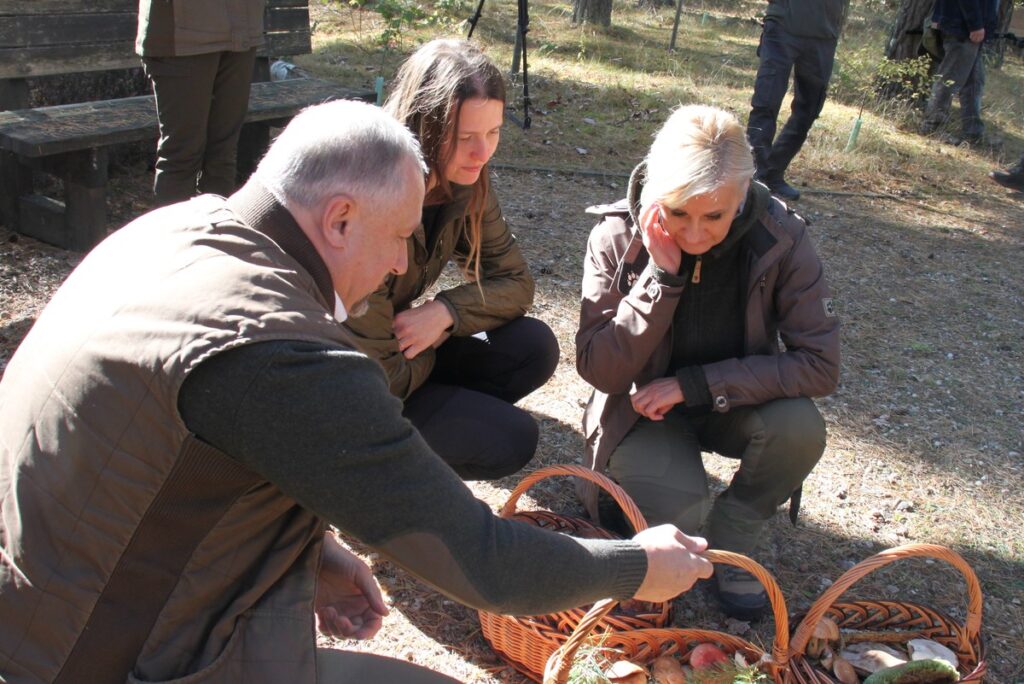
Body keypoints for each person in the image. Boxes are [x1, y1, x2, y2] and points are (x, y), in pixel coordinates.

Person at [0, 100, 713, 684]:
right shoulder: (282, 354)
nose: (404, 260)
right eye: (400, 235)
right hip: (101, 657)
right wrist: (637, 566)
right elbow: (486, 563)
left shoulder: (170, 231)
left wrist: (313, 552)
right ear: (339, 218)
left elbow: (152, 462)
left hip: (40, 613)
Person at [576, 105, 840, 621]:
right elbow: (601, 369)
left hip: (733, 400)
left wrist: (697, 385)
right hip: (640, 413)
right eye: (678, 214)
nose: (694, 235)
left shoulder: (782, 237)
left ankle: (736, 535)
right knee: (683, 515)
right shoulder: (617, 235)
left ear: (742, 197)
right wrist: (662, 277)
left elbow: (819, 365)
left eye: (714, 216)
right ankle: (645, 511)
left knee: (800, 428)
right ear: (656, 193)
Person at [344, 39, 559, 481]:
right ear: (424, 127)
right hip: (350, 387)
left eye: (494, 133)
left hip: (397, 352)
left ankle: (437, 427)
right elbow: (381, 376)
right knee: (512, 438)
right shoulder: (373, 195)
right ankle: (362, 472)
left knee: (532, 347)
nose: (483, 154)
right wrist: (437, 338)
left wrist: (445, 313)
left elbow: (515, 281)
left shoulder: (466, 178)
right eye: (465, 138)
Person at [136, 0, 264, 206]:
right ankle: (177, 236)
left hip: (241, 30)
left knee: (223, 154)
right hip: (182, 38)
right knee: (183, 155)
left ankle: (218, 234)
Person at [745, 0, 849, 201]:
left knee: (810, 108)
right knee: (766, 102)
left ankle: (773, 172)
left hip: (824, 33)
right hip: (783, 25)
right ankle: (754, 175)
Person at [919, 0, 999, 145]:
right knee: (949, 79)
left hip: (969, 29)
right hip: (962, 28)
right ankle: (932, 126)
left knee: (974, 82)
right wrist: (975, 25)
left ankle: (973, 132)